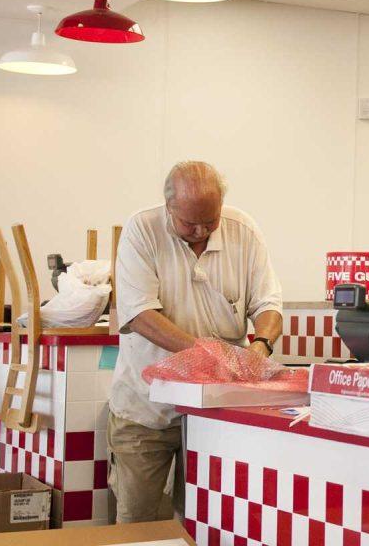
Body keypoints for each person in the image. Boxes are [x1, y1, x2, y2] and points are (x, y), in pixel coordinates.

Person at [108, 161, 283, 522]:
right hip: (147, 409)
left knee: (208, 520)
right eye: (190, 224)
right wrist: (212, 355)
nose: (201, 230)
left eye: (211, 220)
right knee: (137, 522)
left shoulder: (243, 230)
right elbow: (141, 314)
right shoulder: (142, 230)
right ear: (168, 206)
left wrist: (260, 346)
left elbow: (269, 304)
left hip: (215, 411)